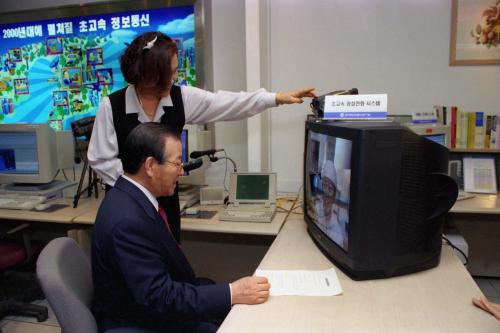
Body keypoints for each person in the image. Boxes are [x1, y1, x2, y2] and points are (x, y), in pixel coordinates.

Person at [87, 31, 316, 243]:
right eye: (172, 72)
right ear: (152, 74)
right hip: (126, 208)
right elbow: (101, 160)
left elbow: (229, 103)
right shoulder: (112, 106)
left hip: (166, 207)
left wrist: (275, 98)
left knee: (169, 269)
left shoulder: (181, 98)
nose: (176, 77)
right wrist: (144, 183)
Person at [92, 123, 271, 333]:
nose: (182, 172)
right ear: (150, 166)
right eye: (177, 163)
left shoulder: (131, 198)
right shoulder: (127, 221)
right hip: (141, 322)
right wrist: (232, 292)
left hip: (156, 308)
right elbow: (160, 297)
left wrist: (228, 293)